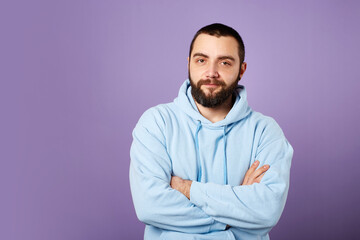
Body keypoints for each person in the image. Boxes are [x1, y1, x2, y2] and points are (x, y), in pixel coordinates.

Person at [129, 23, 293, 240]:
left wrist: (188, 189)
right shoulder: (156, 123)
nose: (211, 72)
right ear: (189, 64)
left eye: (224, 62)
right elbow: (149, 206)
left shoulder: (265, 131)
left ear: (241, 70)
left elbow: (267, 210)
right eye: (201, 60)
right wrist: (235, 213)